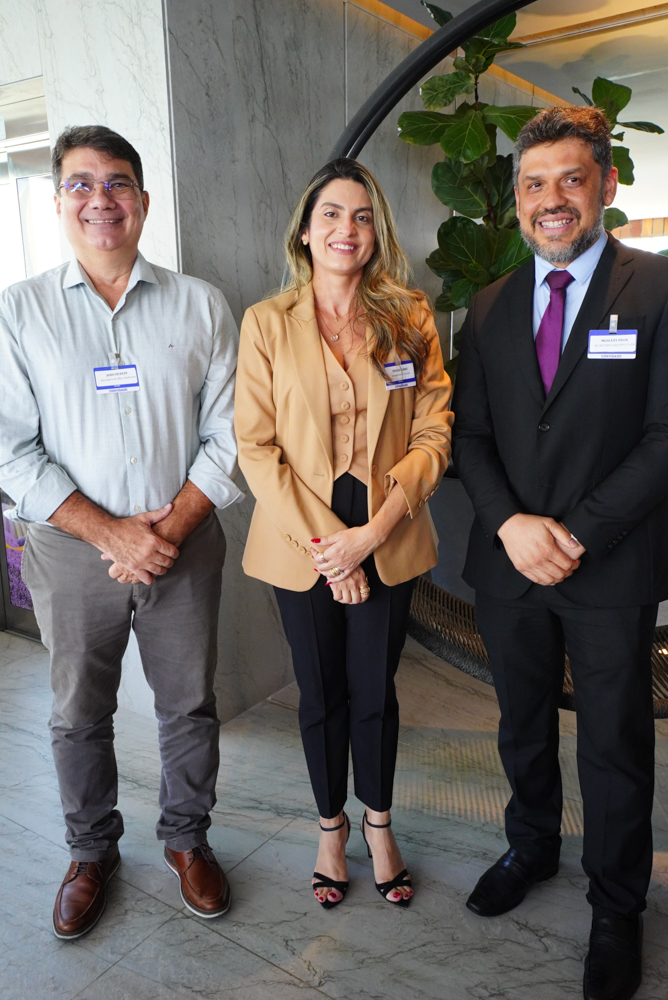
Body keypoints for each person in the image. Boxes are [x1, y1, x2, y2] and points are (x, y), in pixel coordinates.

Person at [0, 125, 243, 938]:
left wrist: (164, 530)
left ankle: (187, 839)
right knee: (77, 709)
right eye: (79, 183)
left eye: (117, 183)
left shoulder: (200, 302)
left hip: (184, 540)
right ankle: (89, 851)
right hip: (72, 550)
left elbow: (233, 431)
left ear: (143, 199)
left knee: (189, 703)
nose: (100, 199)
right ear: (58, 199)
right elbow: (10, 447)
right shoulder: (19, 310)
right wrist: (110, 534)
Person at [452, 105, 668, 1000]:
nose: (552, 200)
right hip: (509, 565)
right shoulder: (492, 304)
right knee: (520, 720)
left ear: (606, 186)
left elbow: (664, 436)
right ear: (516, 197)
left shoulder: (655, 290)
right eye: (534, 184)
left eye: (570, 180)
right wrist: (510, 525)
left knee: (615, 743)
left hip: (609, 565)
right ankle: (532, 846)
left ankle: (618, 904)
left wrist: (575, 532)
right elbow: (472, 437)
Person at [234, 158, 452, 908]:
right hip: (301, 537)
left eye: (361, 216)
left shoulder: (410, 316)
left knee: (375, 690)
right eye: (330, 214)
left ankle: (379, 822)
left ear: (376, 232)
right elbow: (256, 448)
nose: (346, 229)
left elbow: (433, 428)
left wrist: (375, 532)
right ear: (304, 229)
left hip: (388, 529)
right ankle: (332, 826)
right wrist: (334, 547)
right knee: (320, 692)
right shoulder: (266, 323)